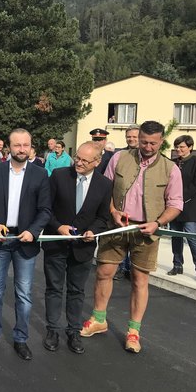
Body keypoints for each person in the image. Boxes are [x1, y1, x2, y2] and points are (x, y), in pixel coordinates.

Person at [81, 121, 183, 354]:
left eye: (153, 143)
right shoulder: (119, 158)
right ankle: (99, 319)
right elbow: (104, 189)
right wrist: (113, 212)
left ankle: (133, 332)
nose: (147, 146)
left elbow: (176, 204)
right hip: (116, 226)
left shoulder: (170, 169)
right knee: (104, 272)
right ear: (138, 138)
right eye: (144, 141)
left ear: (161, 141)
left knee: (139, 280)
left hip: (147, 231)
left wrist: (158, 222)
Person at [0, 128, 51, 361]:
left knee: (24, 294)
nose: (21, 149)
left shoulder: (40, 174)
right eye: (17, 145)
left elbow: (45, 210)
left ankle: (20, 339)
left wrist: (33, 231)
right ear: (8, 147)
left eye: (25, 145)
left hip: (25, 240)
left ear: (30, 146)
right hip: (0, 238)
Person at [42, 142, 112, 354]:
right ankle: (52, 329)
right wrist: (58, 226)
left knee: (76, 290)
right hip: (56, 244)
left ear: (97, 162)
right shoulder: (59, 176)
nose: (78, 163)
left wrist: (92, 231)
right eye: (77, 158)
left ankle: (73, 331)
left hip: (83, 247)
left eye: (84, 160)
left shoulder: (105, 184)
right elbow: (46, 209)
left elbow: (103, 217)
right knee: (54, 288)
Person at [168, 135, 196, 283]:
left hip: (190, 206)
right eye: (177, 147)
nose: (178, 150)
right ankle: (177, 264)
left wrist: (181, 197)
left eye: (182, 147)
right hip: (173, 207)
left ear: (190, 147)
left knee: (192, 238)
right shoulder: (173, 163)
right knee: (175, 236)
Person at [113, 125, 140, 280]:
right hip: (120, 209)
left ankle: (130, 269)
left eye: (134, 137)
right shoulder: (120, 155)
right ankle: (120, 267)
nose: (131, 139)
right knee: (119, 241)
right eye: (129, 136)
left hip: (138, 212)